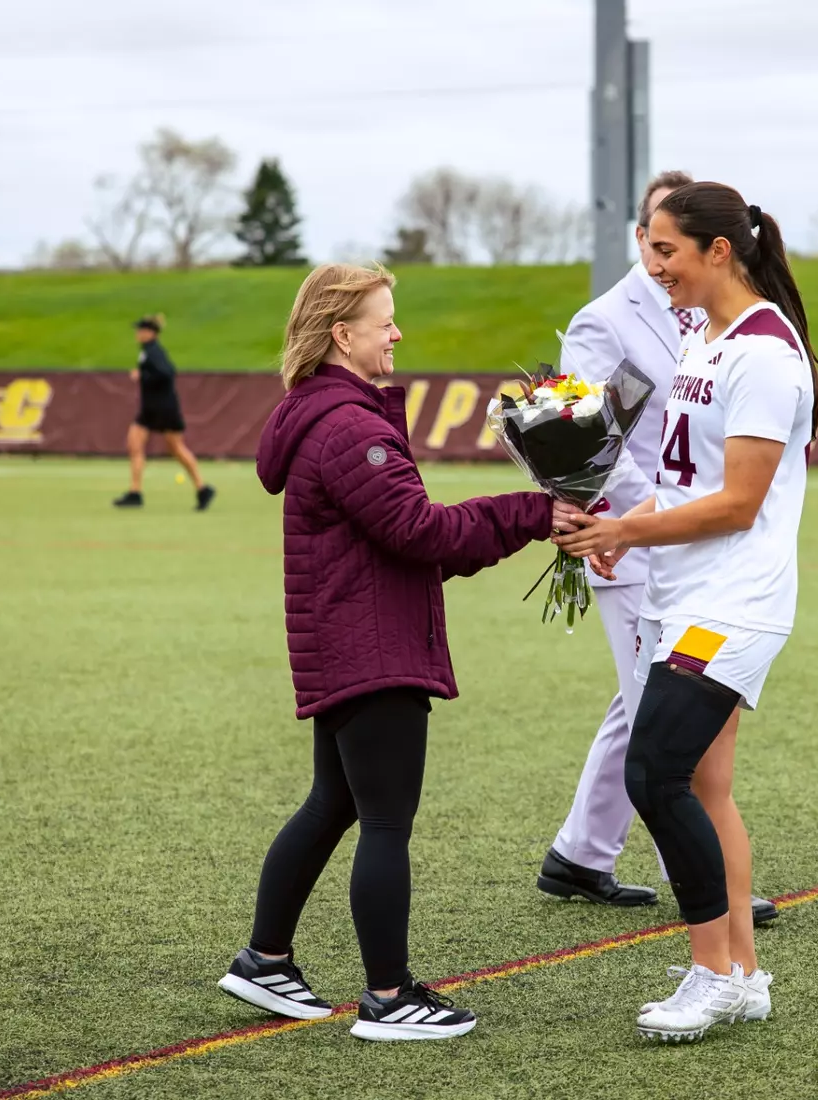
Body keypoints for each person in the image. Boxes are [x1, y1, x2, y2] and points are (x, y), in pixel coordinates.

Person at [217, 262, 575, 1042]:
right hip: (367, 644)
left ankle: (263, 960)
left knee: (335, 803)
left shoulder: (328, 412)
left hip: (347, 636)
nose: (397, 333)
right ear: (342, 335)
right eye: (385, 321)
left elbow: (407, 538)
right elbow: (423, 533)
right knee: (384, 821)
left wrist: (528, 517)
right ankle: (388, 997)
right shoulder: (348, 427)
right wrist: (534, 513)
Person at [556, 183, 818, 1041]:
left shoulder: (765, 354)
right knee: (707, 788)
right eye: (650, 247)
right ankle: (742, 972)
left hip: (733, 602)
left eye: (667, 249)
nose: (653, 265)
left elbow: (740, 503)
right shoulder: (707, 335)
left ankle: (710, 971)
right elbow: (685, 482)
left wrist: (628, 527)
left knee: (653, 772)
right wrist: (630, 537)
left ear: (719, 250)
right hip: (680, 590)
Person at [537, 170, 779, 928]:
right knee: (661, 719)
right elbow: (588, 437)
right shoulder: (603, 319)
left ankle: (580, 854)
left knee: (638, 701)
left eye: (670, 238)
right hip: (634, 540)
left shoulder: (723, 319)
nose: (657, 250)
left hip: (686, 538)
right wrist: (637, 519)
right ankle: (701, 879)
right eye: (651, 234)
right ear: (639, 233)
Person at [113, 314, 216, 510]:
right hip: (150, 409)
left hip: (164, 408)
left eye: (140, 330)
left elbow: (167, 372)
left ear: (150, 333)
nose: (137, 333)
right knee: (134, 443)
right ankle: (135, 492)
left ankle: (203, 489)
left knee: (176, 448)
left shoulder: (154, 351)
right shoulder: (147, 351)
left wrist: (142, 375)